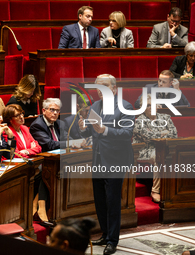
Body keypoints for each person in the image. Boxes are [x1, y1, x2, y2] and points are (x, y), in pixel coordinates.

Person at [79, 74, 135, 255]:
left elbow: (127, 133)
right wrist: (83, 128)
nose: (99, 90)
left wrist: (105, 130)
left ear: (114, 89)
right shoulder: (95, 106)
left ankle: (112, 240)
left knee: (112, 201)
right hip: (98, 159)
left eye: (104, 86)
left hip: (116, 160)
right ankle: (105, 233)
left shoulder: (125, 106)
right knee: (100, 200)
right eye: (97, 87)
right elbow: (91, 130)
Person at [133, 94, 177, 202]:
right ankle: (155, 191)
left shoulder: (166, 117)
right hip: (144, 150)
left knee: (175, 155)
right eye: (148, 105)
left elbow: (174, 134)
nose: (151, 107)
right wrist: (163, 132)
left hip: (164, 149)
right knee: (159, 157)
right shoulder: (139, 121)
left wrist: (158, 134)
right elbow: (149, 138)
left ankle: (174, 189)